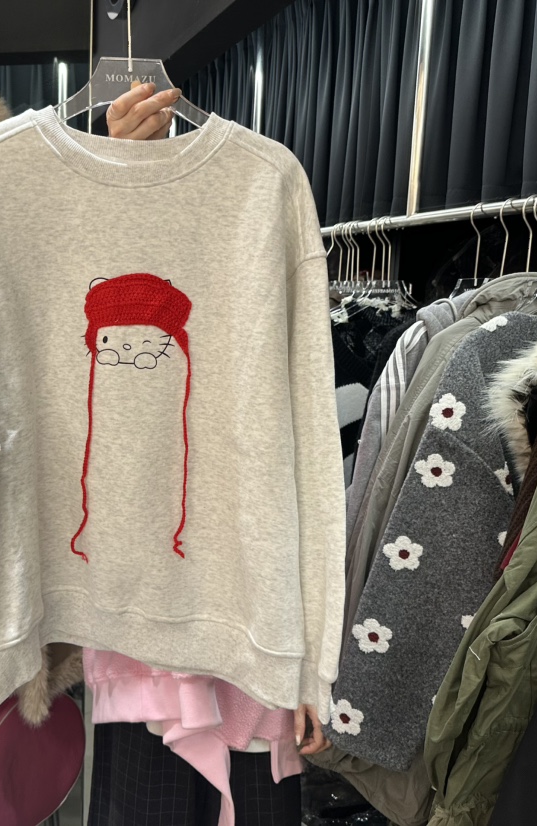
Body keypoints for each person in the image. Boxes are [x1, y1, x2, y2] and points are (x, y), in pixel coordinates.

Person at [105, 81, 331, 760]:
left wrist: (314, 657)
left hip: (251, 616)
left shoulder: (268, 185)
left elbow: (313, 446)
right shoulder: (45, 190)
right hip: (131, 616)